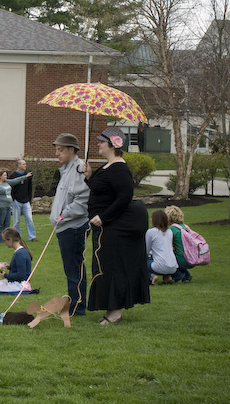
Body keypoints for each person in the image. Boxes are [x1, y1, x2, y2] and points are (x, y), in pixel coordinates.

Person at [83, 127, 150, 324]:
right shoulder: (108, 167)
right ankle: (110, 309)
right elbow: (101, 192)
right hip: (105, 229)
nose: (97, 144)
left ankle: (115, 313)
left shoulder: (120, 169)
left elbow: (124, 198)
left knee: (113, 269)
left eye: (101, 141)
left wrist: (103, 217)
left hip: (114, 229)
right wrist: (89, 176)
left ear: (113, 144)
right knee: (104, 267)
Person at [49, 133, 91, 316]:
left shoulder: (79, 170)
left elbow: (83, 201)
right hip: (65, 227)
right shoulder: (66, 170)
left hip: (74, 227)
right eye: (56, 149)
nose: (57, 153)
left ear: (72, 150)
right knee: (70, 269)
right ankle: (74, 304)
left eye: (60, 150)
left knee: (75, 269)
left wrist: (63, 214)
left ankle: (77, 307)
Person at [0, 228, 33, 293]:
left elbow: (21, 275)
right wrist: (9, 267)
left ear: (10, 240)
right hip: (16, 284)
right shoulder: (21, 252)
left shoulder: (20, 254)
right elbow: (20, 268)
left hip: (17, 285)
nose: (4, 243)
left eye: (4, 240)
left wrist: (5, 275)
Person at [0, 170, 32, 242]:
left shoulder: (7, 182)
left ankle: (5, 238)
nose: (6, 176)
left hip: (8, 207)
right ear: (0, 176)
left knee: (7, 224)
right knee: (0, 224)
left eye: (6, 175)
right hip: (1, 207)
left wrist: (25, 177)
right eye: (4, 175)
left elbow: (15, 180)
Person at [146, 210, 178, 285]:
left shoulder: (151, 232)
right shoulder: (170, 232)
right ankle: (167, 277)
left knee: (143, 260)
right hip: (173, 266)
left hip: (159, 266)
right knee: (162, 256)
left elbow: (146, 250)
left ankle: (151, 276)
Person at [9, 159, 37, 242]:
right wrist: (13, 199)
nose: (25, 165)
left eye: (25, 164)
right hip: (16, 201)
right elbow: (11, 188)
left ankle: (32, 237)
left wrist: (29, 199)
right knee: (16, 221)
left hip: (26, 201)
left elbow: (30, 188)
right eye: (24, 164)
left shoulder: (27, 175)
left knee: (29, 219)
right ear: (19, 165)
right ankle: (18, 237)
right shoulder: (13, 176)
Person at [165, 205, 193, 283]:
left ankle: (178, 276)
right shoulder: (185, 227)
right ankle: (187, 275)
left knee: (165, 260)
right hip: (190, 258)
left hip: (182, 260)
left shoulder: (171, 230)